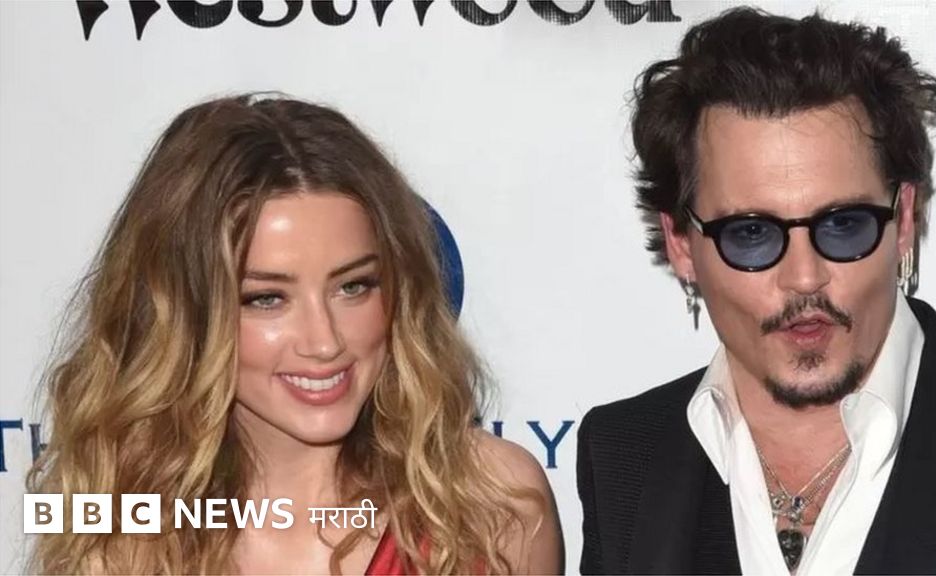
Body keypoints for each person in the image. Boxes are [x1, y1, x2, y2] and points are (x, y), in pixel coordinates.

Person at [27, 94, 563, 574]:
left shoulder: (490, 503)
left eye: (353, 286)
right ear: (186, 318)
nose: (324, 341)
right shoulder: (117, 533)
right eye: (266, 298)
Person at [577, 7, 936, 575]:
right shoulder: (623, 456)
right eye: (751, 234)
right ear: (681, 243)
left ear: (904, 219)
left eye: (843, 225)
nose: (805, 278)